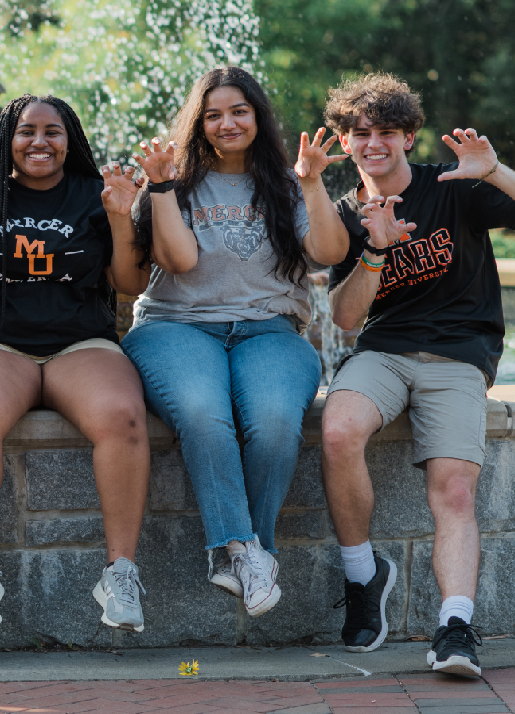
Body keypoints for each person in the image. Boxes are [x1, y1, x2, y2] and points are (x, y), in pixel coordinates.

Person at [319, 73, 515, 676]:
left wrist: (495, 171)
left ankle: (455, 628)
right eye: (360, 133)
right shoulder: (346, 213)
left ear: (410, 137)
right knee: (337, 432)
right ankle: (364, 578)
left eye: (387, 131)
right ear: (345, 140)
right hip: (383, 352)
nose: (373, 143)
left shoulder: (456, 185)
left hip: (460, 357)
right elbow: (344, 317)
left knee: (455, 489)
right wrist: (376, 250)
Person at [122, 67, 349, 618]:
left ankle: (240, 554)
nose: (227, 123)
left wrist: (313, 184)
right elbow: (179, 263)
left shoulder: (289, 183)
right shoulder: (172, 181)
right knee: (203, 411)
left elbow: (328, 252)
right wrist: (160, 188)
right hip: (176, 326)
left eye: (239, 112)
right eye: (214, 114)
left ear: (258, 116)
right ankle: (250, 552)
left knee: (274, 421)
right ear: (197, 123)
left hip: (270, 329)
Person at [0, 95, 151, 634]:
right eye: (27, 131)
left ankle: (121, 572)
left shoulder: (94, 196)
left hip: (79, 344)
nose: (39, 142)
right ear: (8, 138)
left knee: (122, 415)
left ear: (69, 139)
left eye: (53, 131)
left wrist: (122, 218)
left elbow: (130, 284)